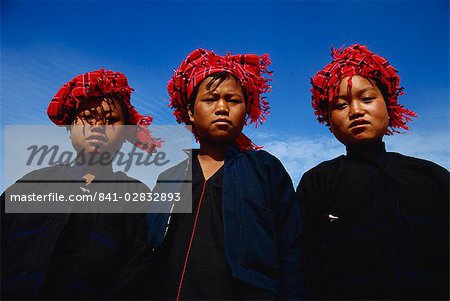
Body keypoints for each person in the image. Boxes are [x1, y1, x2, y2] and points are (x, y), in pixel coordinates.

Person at [147, 49, 307, 300]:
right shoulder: (169, 176)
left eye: (232, 100)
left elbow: (292, 252)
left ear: (246, 110)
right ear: (190, 111)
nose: (222, 107)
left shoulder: (265, 170)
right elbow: (146, 250)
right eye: (211, 99)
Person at [296, 44, 449, 300]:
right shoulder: (317, 183)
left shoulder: (431, 176)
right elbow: (304, 263)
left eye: (367, 99)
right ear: (328, 121)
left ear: (389, 106)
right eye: (340, 105)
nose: (356, 111)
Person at [1, 69, 160, 300]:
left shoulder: (138, 199)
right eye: (88, 117)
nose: (99, 126)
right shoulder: (28, 186)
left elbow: (137, 280)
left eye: (111, 120)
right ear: (70, 128)